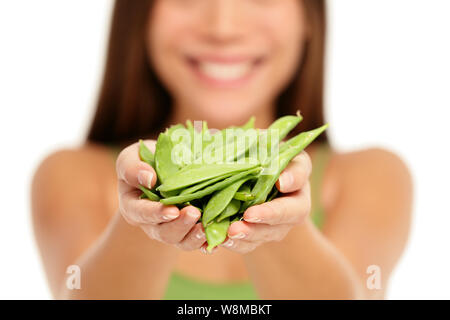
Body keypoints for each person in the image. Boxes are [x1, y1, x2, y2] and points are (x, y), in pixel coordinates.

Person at [31, 0, 412, 299]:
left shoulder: (373, 176)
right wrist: (146, 215)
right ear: (139, 14)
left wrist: (276, 213)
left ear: (308, 16)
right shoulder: (72, 174)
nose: (222, 27)